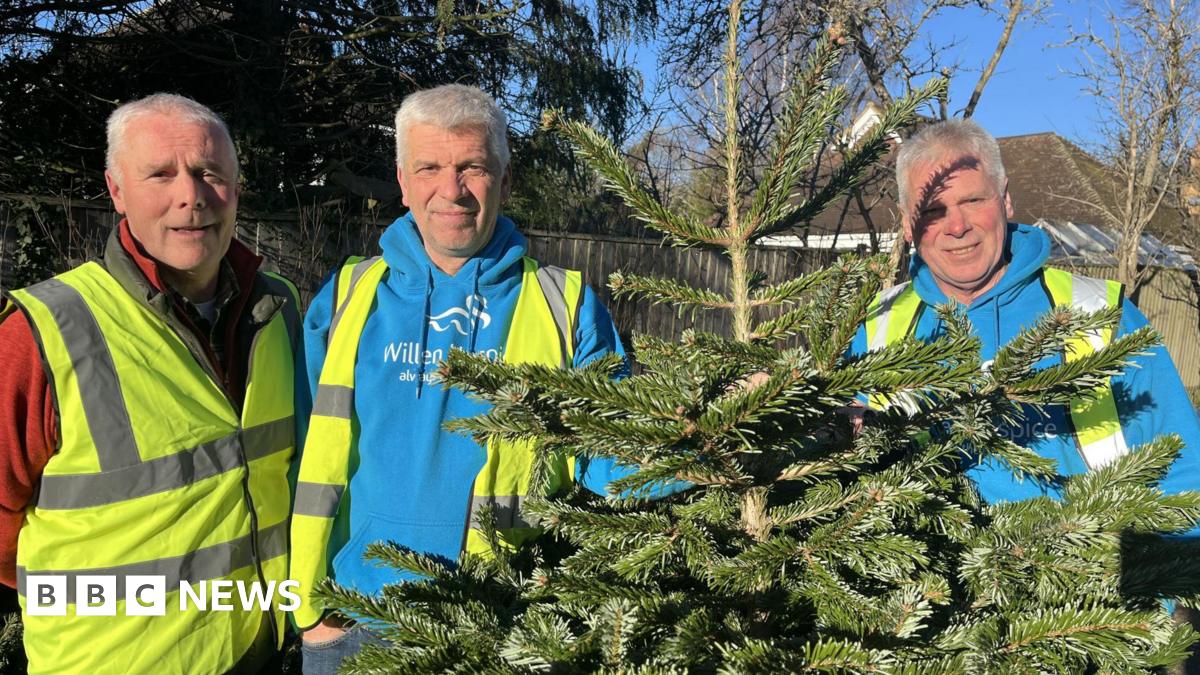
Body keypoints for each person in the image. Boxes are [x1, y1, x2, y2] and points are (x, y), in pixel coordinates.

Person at [290, 84, 643, 671]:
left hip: (508, 622)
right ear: (402, 181)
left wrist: (716, 425)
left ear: (504, 181)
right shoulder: (346, 298)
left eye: (472, 167)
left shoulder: (566, 304)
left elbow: (613, 458)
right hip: (354, 622)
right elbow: (298, 451)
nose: (450, 190)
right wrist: (312, 617)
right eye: (429, 167)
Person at [0, 94, 301, 674]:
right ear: (116, 191)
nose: (190, 195)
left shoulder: (279, 309)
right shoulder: (42, 333)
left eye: (210, 172)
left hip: (260, 653)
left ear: (237, 187)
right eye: (160, 174)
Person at [851, 118, 1200, 507]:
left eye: (972, 201)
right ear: (907, 225)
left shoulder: (1103, 315)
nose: (957, 226)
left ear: (1005, 200)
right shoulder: (872, 327)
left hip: (1082, 559)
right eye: (933, 209)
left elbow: (1183, 477)